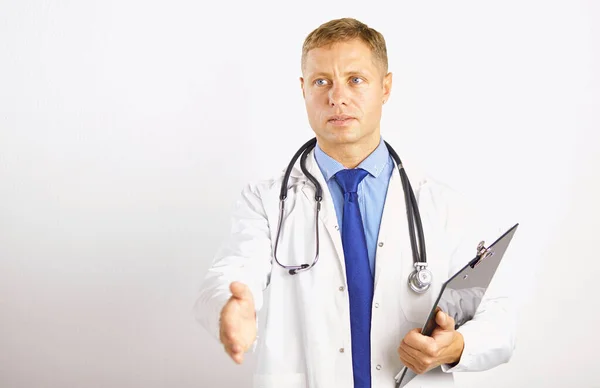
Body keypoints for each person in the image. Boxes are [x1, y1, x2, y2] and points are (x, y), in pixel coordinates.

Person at [194, 17, 516, 388]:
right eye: (321, 82)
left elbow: (501, 317)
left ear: (386, 87)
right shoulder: (266, 202)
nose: (337, 97)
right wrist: (232, 307)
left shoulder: (442, 206)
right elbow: (230, 274)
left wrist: (457, 345)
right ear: (303, 89)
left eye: (355, 79)